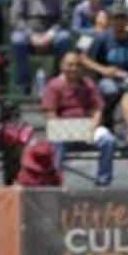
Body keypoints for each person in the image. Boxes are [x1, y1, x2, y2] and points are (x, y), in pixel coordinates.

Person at [42, 51, 113, 186]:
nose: (74, 68)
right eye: (70, 65)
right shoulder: (54, 85)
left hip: (86, 126)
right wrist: (64, 128)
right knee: (56, 141)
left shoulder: (88, 84)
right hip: (63, 128)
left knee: (108, 140)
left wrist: (94, 124)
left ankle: (103, 181)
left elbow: (98, 108)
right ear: (62, 66)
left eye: (77, 65)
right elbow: (50, 113)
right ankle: (55, 183)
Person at [81, 1, 128, 127]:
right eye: (115, 18)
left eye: (122, 18)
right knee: (110, 90)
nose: (119, 21)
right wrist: (103, 69)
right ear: (110, 20)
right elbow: (84, 59)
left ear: (127, 20)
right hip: (107, 79)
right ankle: (106, 121)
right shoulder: (102, 38)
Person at [10, 0, 71, 94]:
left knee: (64, 38)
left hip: (52, 30)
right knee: (17, 40)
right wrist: (31, 35)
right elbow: (16, 18)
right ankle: (22, 85)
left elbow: (64, 18)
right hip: (28, 30)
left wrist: (50, 34)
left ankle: (59, 80)